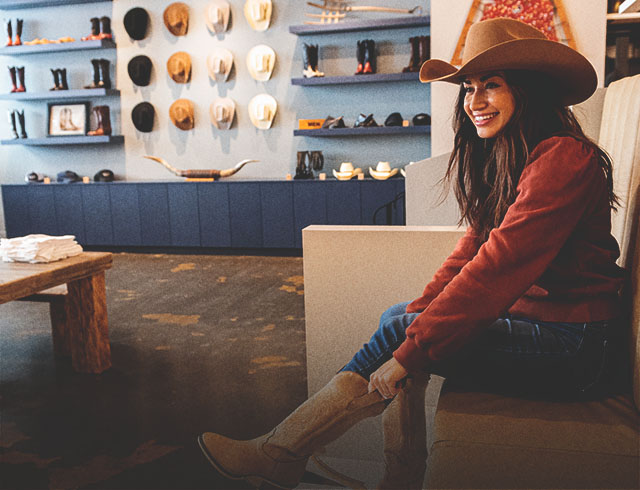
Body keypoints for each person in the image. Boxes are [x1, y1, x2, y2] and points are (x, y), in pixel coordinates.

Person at [198, 18, 626, 490]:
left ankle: (280, 450)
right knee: (400, 316)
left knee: (407, 332)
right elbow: (471, 251)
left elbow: (497, 266)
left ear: (528, 90)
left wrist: (413, 347)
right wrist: (421, 314)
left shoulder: (565, 158)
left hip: (578, 348)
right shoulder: (519, 155)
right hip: (548, 330)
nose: (474, 102)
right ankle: (392, 472)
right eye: (468, 87)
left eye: (492, 86)